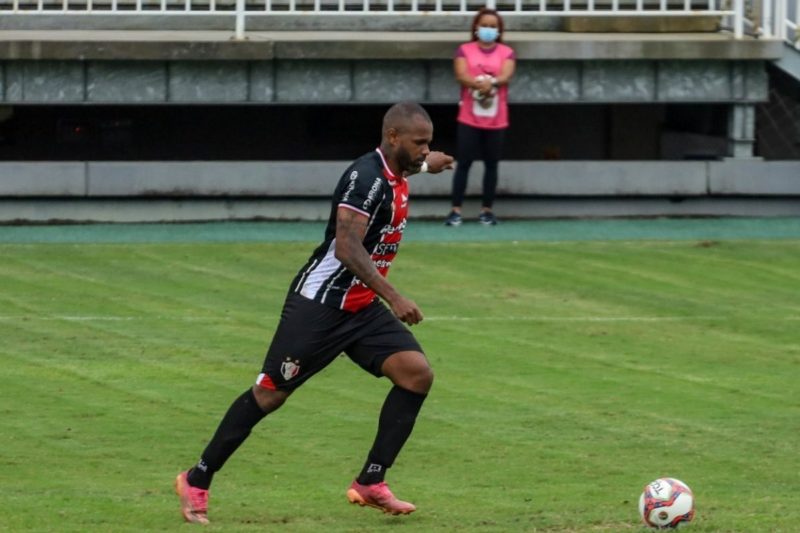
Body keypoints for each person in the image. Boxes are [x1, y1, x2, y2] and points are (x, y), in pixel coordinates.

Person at [174, 102, 454, 525]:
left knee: (416, 374)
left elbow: (408, 167)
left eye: (428, 142)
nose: (425, 149)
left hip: (359, 308)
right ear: (393, 137)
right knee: (270, 394)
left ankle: (370, 481)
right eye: (419, 142)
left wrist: (430, 163)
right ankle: (197, 478)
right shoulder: (365, 179)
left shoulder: (397, 169)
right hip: (320, 304)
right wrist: (395, 297)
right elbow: (346, 246)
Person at [445, 7, 516, 226]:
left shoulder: (506, 52)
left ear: (499, 30)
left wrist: (491, 82)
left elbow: (506, 74)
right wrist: (478, 83)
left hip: (497, 119)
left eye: (493, 26)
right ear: (476, 28)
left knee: (492, 164)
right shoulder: (464, 50)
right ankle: (456, 210)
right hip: (469, 117)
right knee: (464, 163)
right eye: (484, 25)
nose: (488, 29)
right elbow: (461, 74)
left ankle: (487, 210)